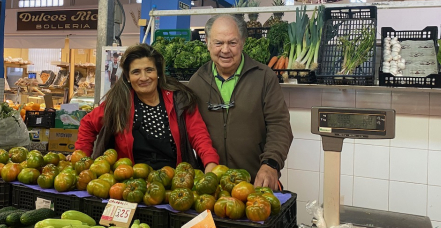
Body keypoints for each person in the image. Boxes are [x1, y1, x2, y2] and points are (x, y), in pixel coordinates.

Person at [188, 14, 293, 190]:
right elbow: (193, 131)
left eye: (232, 42)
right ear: (207, 42)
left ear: (243, 41)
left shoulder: (264, 76)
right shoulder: (197, 82)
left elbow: (279, 125)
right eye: (218, 43)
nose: (225, 50)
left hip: (255, 183)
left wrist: (271, 164)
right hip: (212, 187)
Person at [76, 44, 220, 171]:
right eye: (136, 72)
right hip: (129, 185)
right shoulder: (119, 102)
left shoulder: (179, 100)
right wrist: (82, 159)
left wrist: (210, 162)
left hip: (174, 182)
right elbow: (88, 124)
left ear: (158, 73)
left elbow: (199, 135)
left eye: (149, 70)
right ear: (127, 76)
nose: (144, 78)